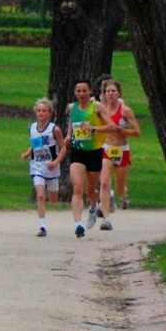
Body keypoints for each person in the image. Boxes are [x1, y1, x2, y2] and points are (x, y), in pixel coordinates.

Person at [65, 79, 106, 238]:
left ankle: (94, 206)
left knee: (90, 190)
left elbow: (110, 126)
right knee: (77, 187)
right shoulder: (71, 107)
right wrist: (69, 135)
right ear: (75, 93)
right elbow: (72, 123)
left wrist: (93, 128)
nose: (81, 94)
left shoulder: (96, 107)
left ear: (90, 92)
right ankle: (78, 223)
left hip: (94, 151)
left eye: (84, 91)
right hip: (78, 152)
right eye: (78, 91)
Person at [97, 78, 139, 227]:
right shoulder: (101, 109)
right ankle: (106, 219)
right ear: (104, 94)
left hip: (122, 150)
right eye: (108, 91)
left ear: (118, 93)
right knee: (104, 183)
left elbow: (137, 132)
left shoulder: (125, 110)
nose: (110, 94)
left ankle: (120, 194)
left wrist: (122, 130)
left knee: (120, 186)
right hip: (107, 149)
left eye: (113, 91)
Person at [24, 97, 64, 236]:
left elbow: (63, 147)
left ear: (49, 113)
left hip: (51, 167)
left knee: (53, 199)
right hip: (37, 166)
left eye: (44, 111)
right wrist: (28, 153)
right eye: (39, 110)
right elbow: (36, 143)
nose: (41, 113)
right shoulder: (32, 127)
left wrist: (56, 162)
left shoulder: (55, 129)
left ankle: (51, 195)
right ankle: (42, 226)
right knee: (40, 196)